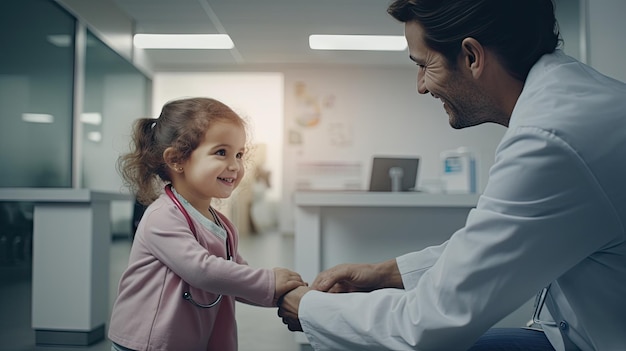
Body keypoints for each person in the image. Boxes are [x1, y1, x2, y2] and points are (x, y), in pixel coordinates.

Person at [277, 0, 626, 350]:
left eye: (424, 65)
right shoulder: (568, 99)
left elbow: (428, 324)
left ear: (472, 56)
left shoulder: (550, 139)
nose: (421, 86)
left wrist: (308, 307)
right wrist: (384, 273)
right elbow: (486, 248)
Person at [108, 97, 305, 351]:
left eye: (239, 154)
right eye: (221, 152)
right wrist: (269, 282)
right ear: (176, 159)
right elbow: (203, 270)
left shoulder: (221, 224)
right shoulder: (162, 217)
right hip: (147, 343)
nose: (235, 165)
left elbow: (233, 277)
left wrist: (281, 295)